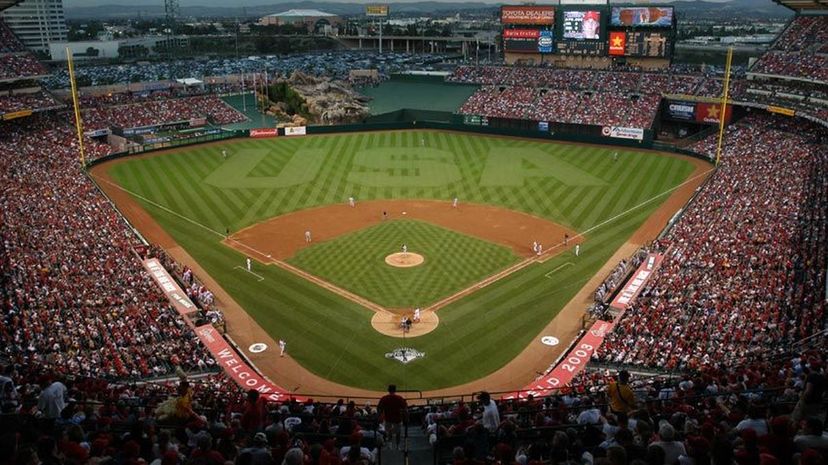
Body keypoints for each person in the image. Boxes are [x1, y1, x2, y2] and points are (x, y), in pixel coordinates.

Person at [378, 385, 408, 450]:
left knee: (389, 432)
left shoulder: (384, 398)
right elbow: (405, 409)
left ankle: (390, 446)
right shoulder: (399, 398)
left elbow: (379, 409)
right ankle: (398, 446)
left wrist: (379, 417)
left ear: (388, 390)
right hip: (398, 419)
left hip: (388, 419)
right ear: (395, 390)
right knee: (398, 433)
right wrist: (406, 418)